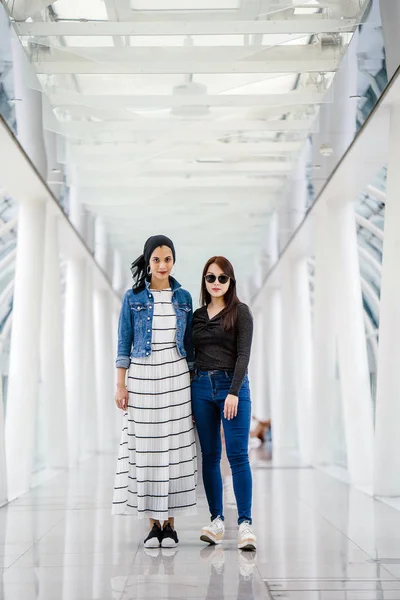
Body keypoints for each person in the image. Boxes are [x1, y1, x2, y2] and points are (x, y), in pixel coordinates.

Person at [112, 235, 197, 549]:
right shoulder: (132, 297)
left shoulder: (185, 296)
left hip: (176, 374)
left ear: (173, 261)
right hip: (143, 375)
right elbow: (124, 342)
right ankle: (152, 525)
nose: (162, 265)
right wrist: (121, 384)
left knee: (174, 445)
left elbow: (189, 346)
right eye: (157, 260)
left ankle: (170, 526)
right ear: (148, 262)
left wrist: (193, 380)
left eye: (168, 259)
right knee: (147, 449)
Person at [191, 256, 256, 551]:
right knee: (210, 455)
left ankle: (244, 524)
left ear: (230, 281)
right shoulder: (197, 317)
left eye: (222, 278)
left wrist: (233, 391)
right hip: (201, 388)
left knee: (238, 455)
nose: (216, 283)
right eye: (210, 278)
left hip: (233, 389)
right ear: (204, 282)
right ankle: (216, 520)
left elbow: (243, 355)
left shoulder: (241, 312)